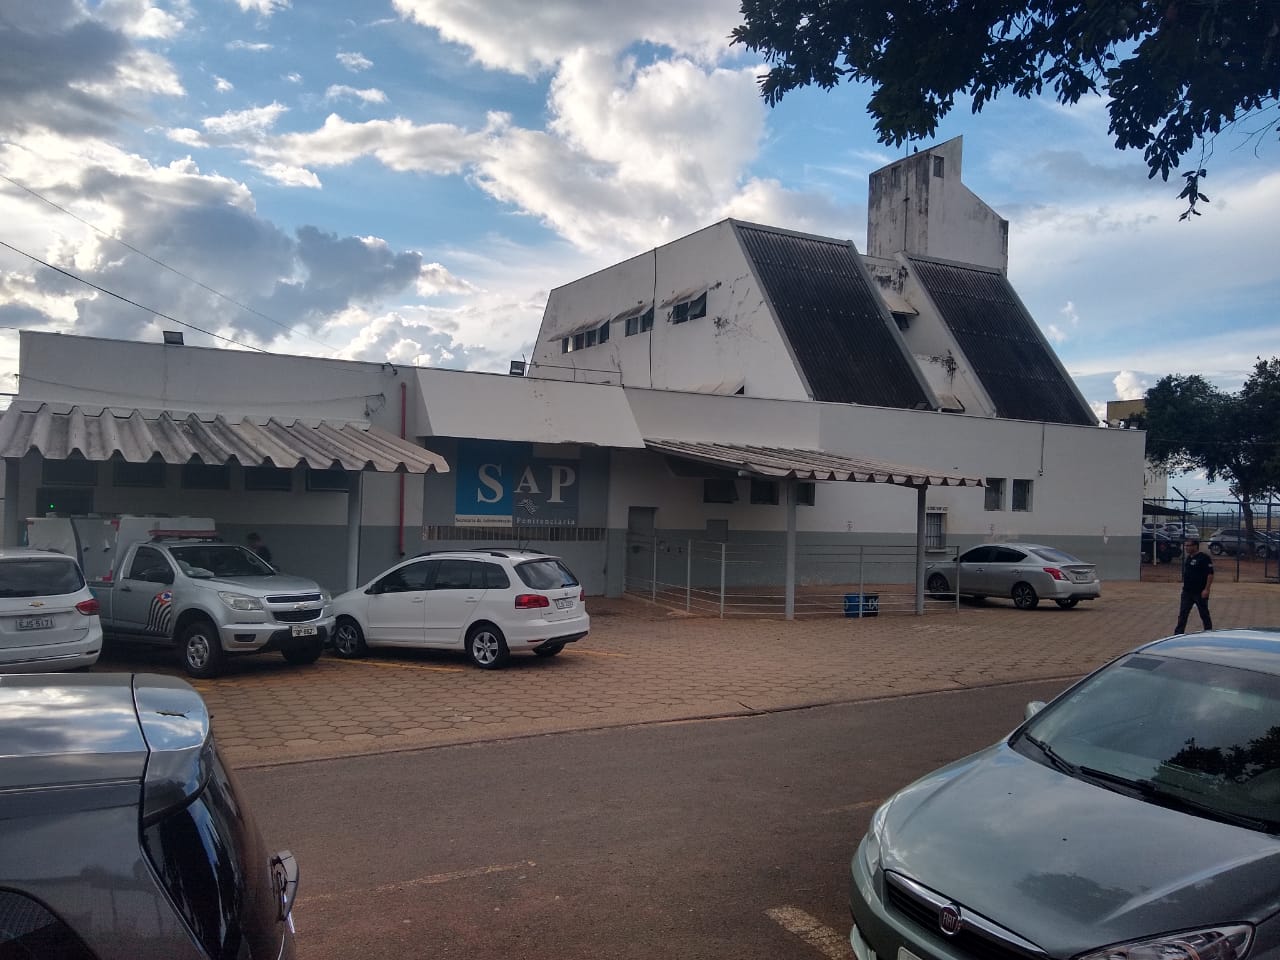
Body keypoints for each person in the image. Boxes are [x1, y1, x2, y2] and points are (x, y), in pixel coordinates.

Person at [1175, 537, 1213, 634]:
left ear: (1195, 546)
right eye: (1185, 546)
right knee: (1183, 614)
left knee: (1204, 614)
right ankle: (1178, 634)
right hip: (1187, 592)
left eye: (1188, 546)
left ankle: (1209, 632)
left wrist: (1206, 589)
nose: (1186, 548)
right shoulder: (1189, 558)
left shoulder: (1204, 558)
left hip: (1199, 592)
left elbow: (1210, 574)